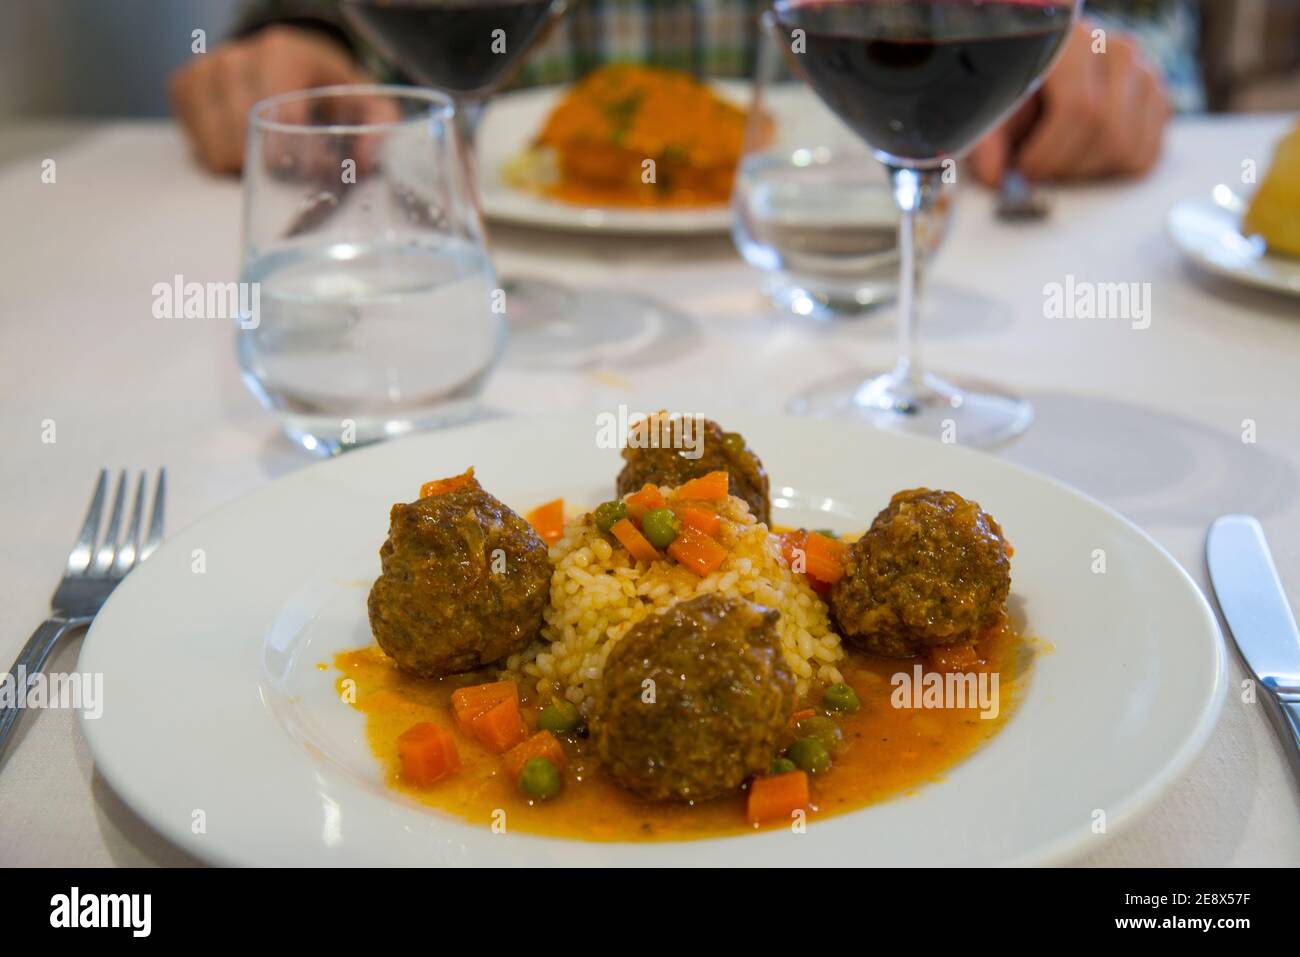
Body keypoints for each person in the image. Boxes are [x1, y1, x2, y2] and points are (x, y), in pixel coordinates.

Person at [170, 0, 1180, 183]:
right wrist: (286, 37)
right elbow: (304, 17)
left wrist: (1116, 60)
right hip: (474, 220)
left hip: (848, 217)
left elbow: (1141, 25)